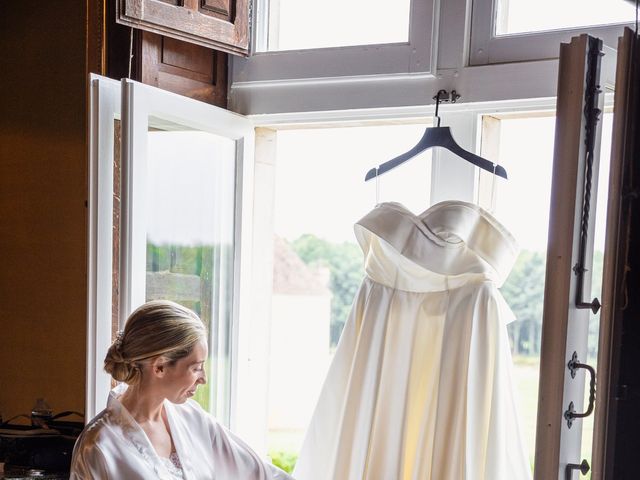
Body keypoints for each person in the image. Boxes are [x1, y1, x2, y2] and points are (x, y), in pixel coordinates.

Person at [70, 300, 293, 479]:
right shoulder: (98, 446)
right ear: (159, 367)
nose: (203, 379)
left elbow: (261, 474)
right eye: (196, 368)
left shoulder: (193, 419)